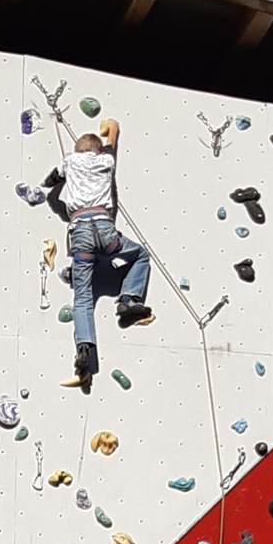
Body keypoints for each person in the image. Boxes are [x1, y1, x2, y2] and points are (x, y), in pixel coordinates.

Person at [51, 119, 152, 387]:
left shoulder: (69, 161)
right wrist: (113, 128)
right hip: (106, 232)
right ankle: (129, 300)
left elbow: (53, 179)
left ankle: (85, 349)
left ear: (77, 150)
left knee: (83, 296)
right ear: (96, 151)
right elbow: (111, 144)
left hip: (81, 234)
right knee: (140, 255)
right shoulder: (106, 162)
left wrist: (47, 188)